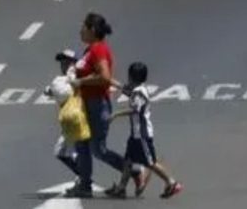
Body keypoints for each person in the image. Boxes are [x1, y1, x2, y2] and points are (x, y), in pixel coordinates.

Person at [66, 12, 129, 199]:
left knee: (97, 149)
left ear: (92, 29)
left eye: (83, 27)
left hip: (97, 104)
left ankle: (131, 168)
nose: (80, 30)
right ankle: (85, 185)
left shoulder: (99, 49)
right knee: (82, 145)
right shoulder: (90, 50)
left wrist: (81, 82)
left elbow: (104, 76)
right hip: (85, 104)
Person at [105, 62, 183, 199]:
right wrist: (110, 81)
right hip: (135, 134)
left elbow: (135, 110)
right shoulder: (137, 90)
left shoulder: (139, 93)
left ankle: (172, 183)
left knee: (150, 162)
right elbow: (125, 89)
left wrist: (115, 115)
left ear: (131, 76)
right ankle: (121, 188)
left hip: (142, 135)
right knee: (128, 161)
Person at [44, 49, 81, 177]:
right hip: (69, 123)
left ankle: (84, 180)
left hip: (76, 121)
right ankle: (83, 179)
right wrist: (50, 90)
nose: (63, 64)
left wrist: (52, 90)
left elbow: (63, 93)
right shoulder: (61, 80)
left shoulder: (76, 78)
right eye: (62, 62)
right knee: (62, 152)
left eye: (67, 62)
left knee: (68, 152)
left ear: (74, 63)